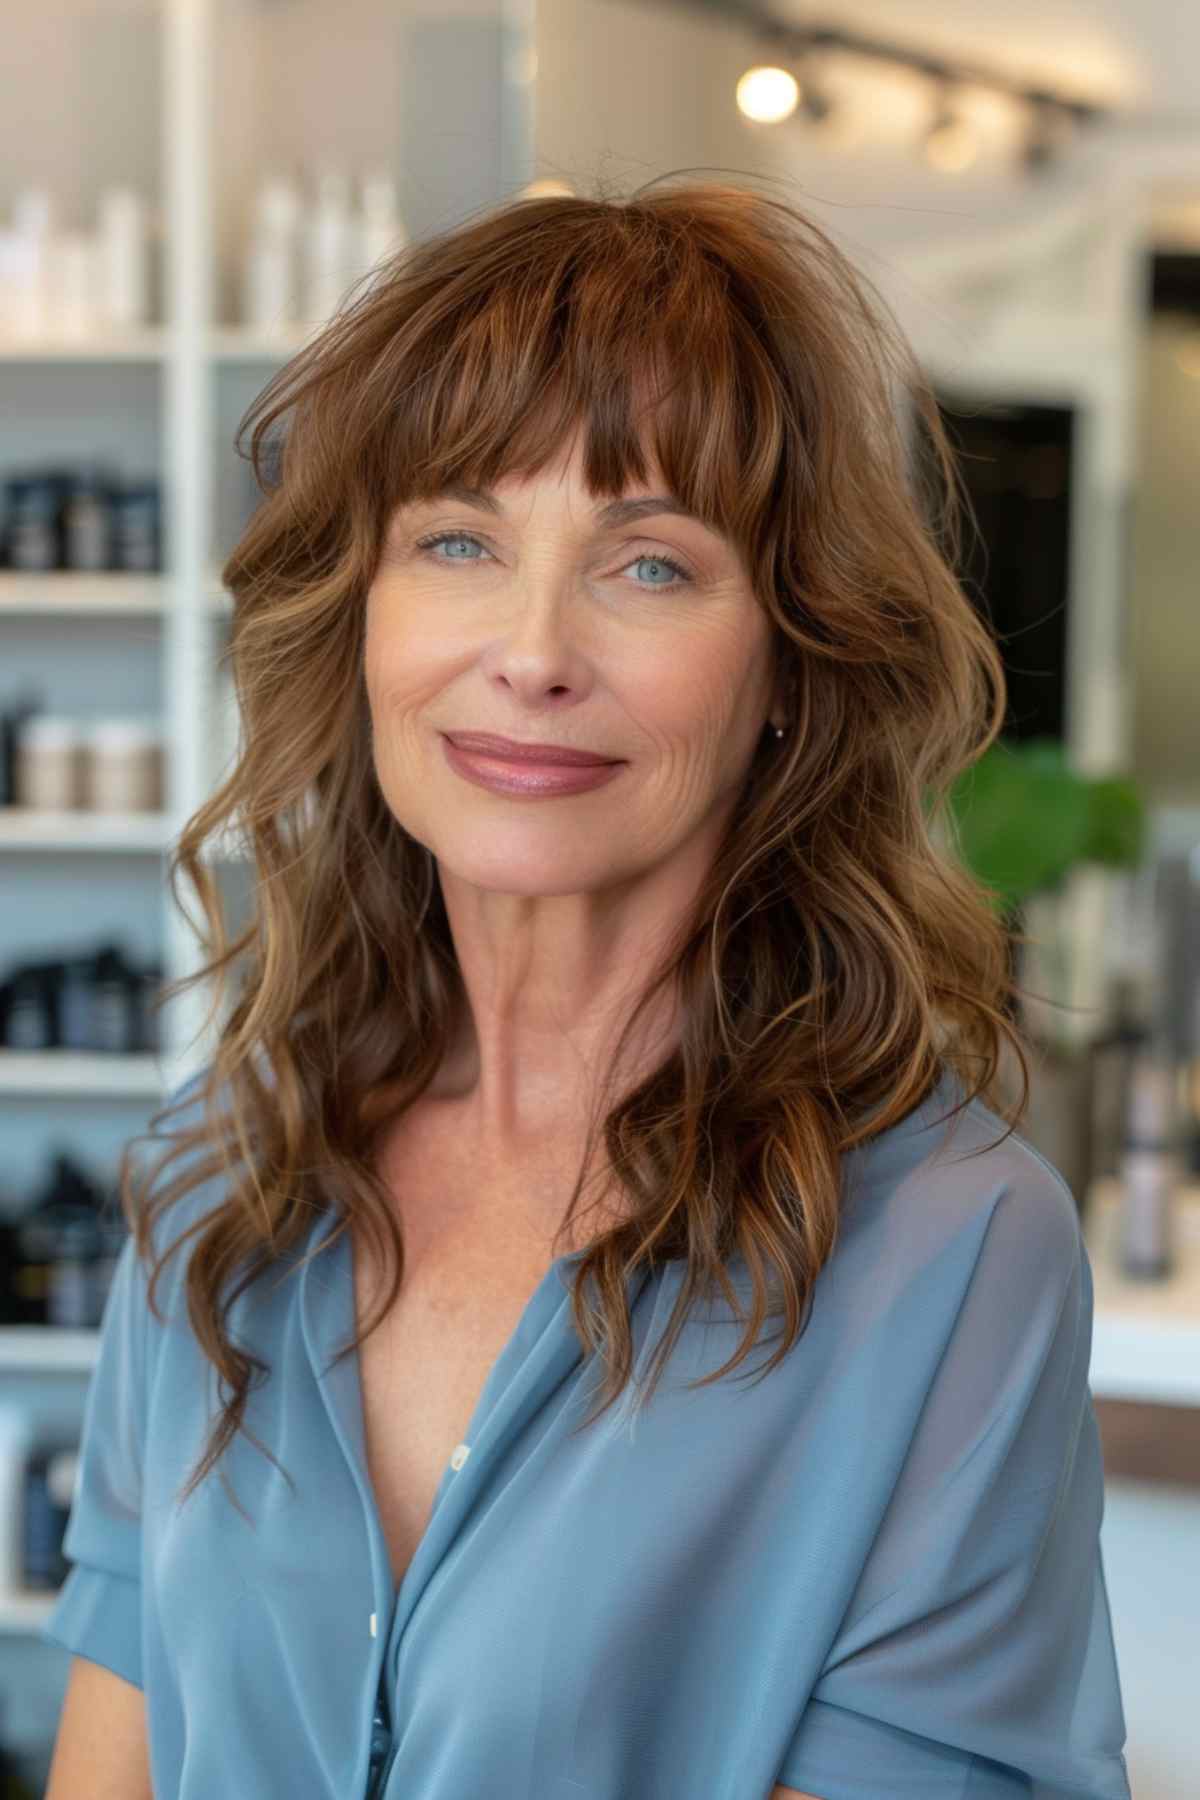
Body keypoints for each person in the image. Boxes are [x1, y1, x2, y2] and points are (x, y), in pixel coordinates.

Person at [43, 173, 1130, 1799]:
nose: (535, 650)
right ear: (360, 617)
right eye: (461, 540)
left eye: (650, 567)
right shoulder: (219, 1175)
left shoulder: (948, 1254)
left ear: (790, 665)